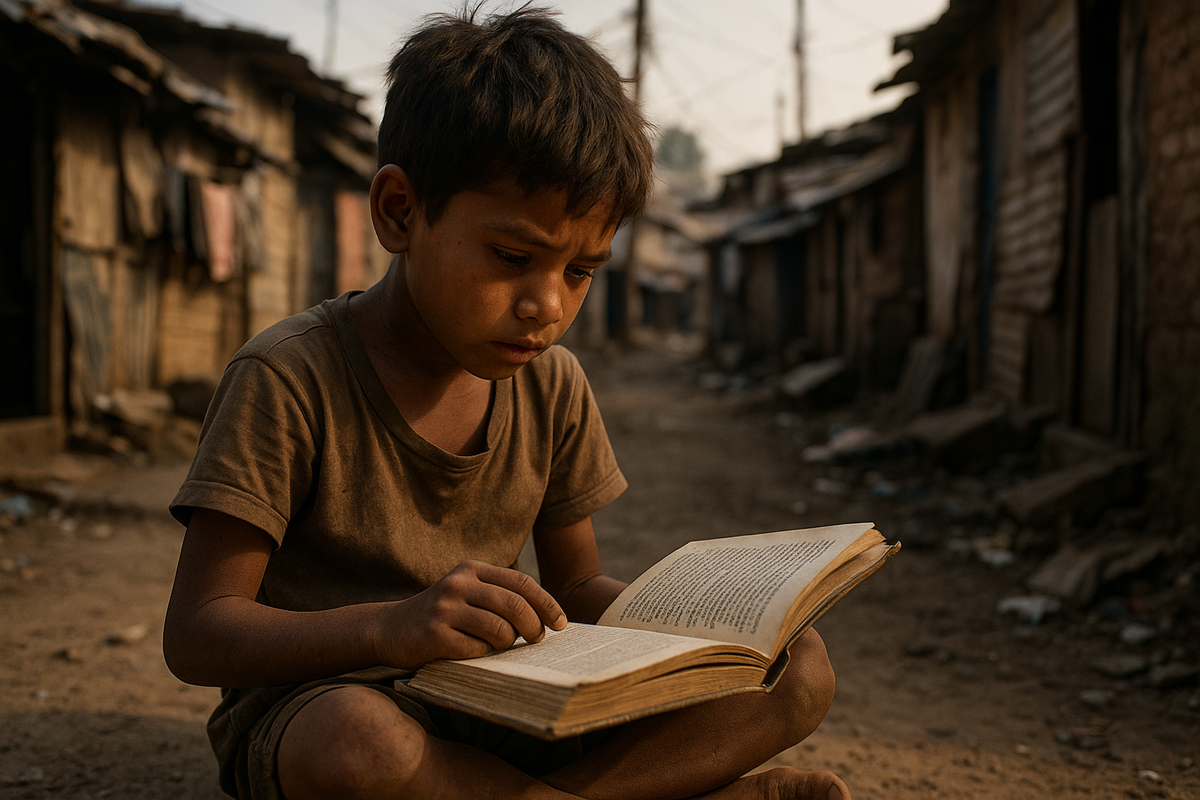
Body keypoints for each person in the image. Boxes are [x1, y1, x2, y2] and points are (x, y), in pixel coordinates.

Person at [163, 6, 851, 799]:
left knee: (798, 672)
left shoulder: (551, 384)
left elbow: (577, 588)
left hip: (507, 705)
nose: (546, 306)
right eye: (513, 256)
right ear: (399, 212)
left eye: (580, 271)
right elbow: (199, 632)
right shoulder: (288, 378)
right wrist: (393, 627)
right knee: (358, 746)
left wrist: (702, 638)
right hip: (327, 701)